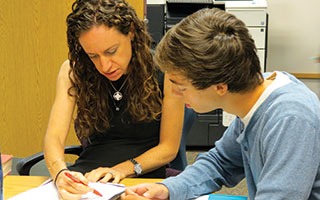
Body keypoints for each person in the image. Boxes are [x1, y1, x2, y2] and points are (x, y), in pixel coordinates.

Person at [121, 8, 320, 200]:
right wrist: (167, 189)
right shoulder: (256, 96)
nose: (174, 94)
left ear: (220, 87)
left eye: (180, 87)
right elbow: (220, 162)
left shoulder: (290, 118)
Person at [43, 0, 185, 199]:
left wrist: (120, 170)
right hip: (89, 179)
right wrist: (60, 173)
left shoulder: (166, 71)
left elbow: (168, 149)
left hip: (143, 178)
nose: (104, 65)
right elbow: (54, 137)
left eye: (111, 51)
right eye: (93, 56)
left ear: (132, 32)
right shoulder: (73, 71)